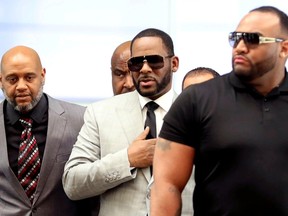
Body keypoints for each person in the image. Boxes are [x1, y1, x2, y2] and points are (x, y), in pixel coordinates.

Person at [151, 5, 288, 216]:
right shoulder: (197, 99)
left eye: (252, 39)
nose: (240, 47)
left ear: (284, 49)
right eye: (236, 38)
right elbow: (166, 186)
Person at [62, 28, 183, 216]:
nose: (144, 69)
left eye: (154, 60)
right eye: (136, 63)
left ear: (174, 63)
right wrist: (127, 159)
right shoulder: (100, 113)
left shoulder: (195, 112)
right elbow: (73, 183)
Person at [0, 45, 99, 215]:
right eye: (12, 79)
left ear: (43, 75)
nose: (21, 86)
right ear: (1, 81)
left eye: (29, 77)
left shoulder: (81, 119)